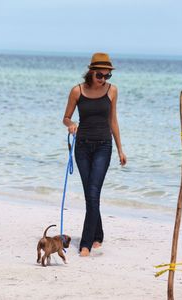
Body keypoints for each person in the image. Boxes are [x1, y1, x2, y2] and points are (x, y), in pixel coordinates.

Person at [63, 53, 127, 257]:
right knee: (91, 195)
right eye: (100, 75)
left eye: (107, 76)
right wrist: (71, 124)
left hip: (103, 147)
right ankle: (98, 234)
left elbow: (113, 121)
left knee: (93, 193)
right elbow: (66, 117)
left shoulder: (112, 91)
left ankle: (86, 243)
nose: (103, 79)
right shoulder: (77, 91)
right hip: (81, 147)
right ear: (91, 72)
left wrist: (120, 149)